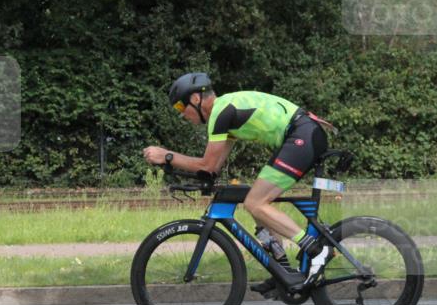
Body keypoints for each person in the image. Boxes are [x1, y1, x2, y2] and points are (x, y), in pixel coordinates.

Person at [142, 72, 334, 293]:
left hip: (302, 135)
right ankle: (283, 270)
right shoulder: (226, 114)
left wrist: (167, 156)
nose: (181, 114)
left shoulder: (221, 112)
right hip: (302, 133)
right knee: (252, 199)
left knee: (255, 203)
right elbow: (211, 169)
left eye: (180, 107)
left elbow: (206, 164)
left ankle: (316, 250)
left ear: (195, 99)